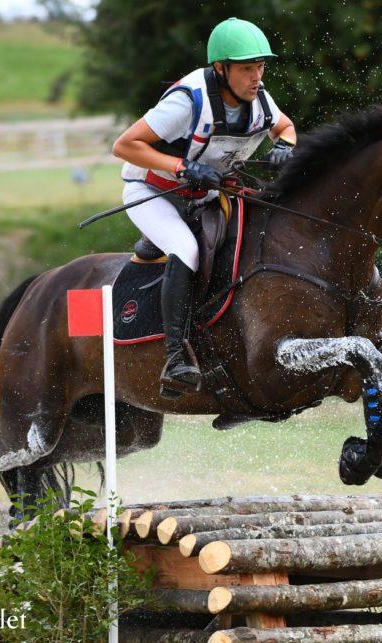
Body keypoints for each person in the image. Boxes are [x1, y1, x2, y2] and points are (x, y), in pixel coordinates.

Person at [113, 18, 297, 400]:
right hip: (153, 193)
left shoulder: (258, 98)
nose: (257, 77)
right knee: (187, 249)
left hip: (204, 197)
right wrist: (181, 167)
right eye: (247, 68)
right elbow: (125, 146)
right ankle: (175, 358)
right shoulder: (187, 101)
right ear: (220, 69)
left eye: (261, 67)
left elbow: (286, 126)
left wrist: (285, 148)